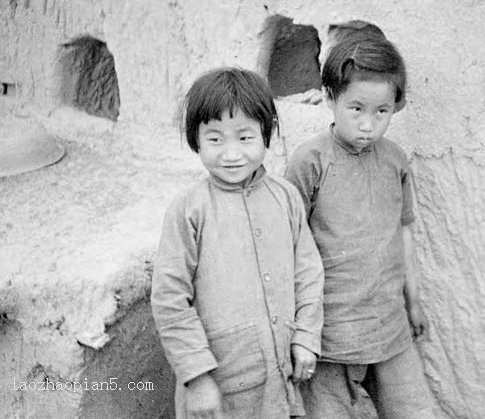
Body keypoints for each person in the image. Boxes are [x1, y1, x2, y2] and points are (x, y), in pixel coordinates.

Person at [151, 67, 324, 419]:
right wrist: (197, 378)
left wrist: (306, 335)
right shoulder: (188, 210)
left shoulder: (286, 197)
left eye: (244, 138)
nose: (231, 154)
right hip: (219, 387)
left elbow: (308, 272)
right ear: (195, 140)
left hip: (279, 379)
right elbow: (170, 298)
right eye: (215, 139)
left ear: (265, 135)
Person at [284, 35, 431, 418]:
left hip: (389, 327)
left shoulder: (395, 161)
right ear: (329, 96)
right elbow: (289, 246)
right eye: (356, 109)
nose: (368, 124)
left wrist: (413, 302)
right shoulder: (310, 162)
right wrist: (299, 329)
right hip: (330, 334)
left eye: (381, 111)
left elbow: (403, 233)